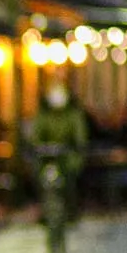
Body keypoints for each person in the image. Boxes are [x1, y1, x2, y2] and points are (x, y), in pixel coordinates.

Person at [30, 82, 88, 215]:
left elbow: (80, 136)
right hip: (46, 157)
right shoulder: (43, 115)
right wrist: (37, 146)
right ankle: (43, 208)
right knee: (40, 179)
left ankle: (71, 208)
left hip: (67, 157)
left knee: (70, 180)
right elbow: (36, 134)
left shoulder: (73, 115)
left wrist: (76, 148)